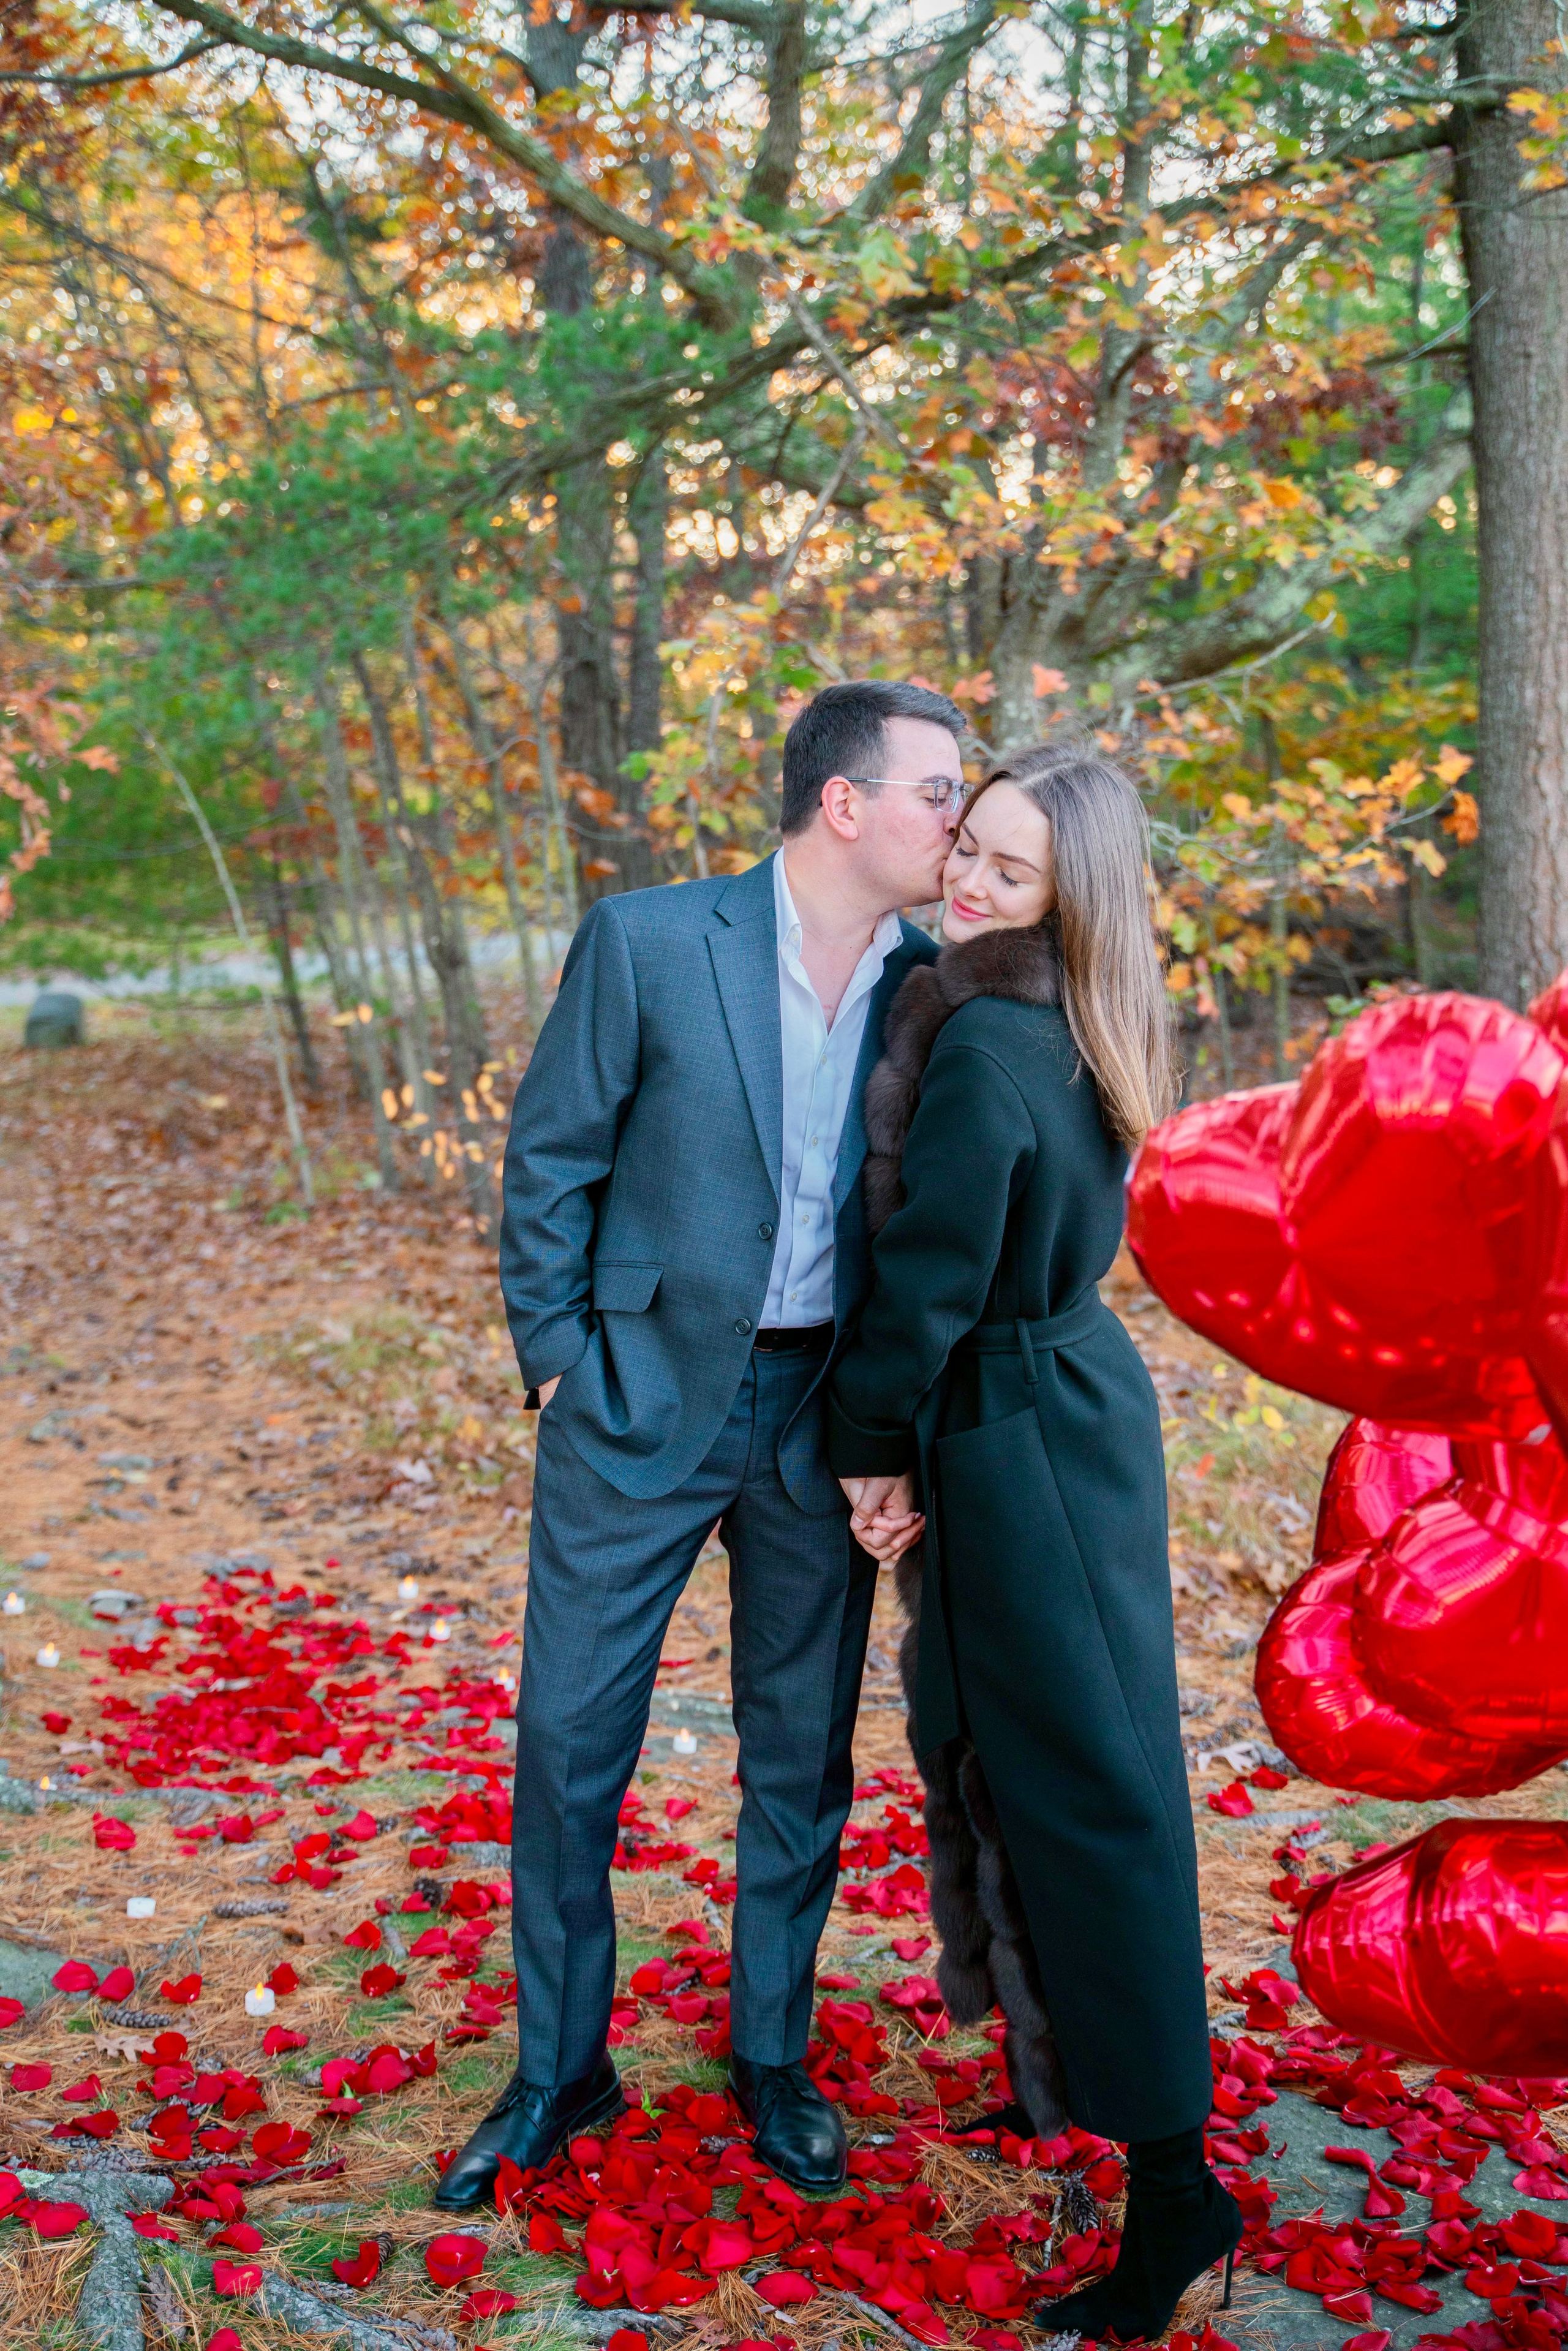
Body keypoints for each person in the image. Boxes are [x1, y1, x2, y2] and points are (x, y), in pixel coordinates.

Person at [433, 679, 965, 2213]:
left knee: (798, 1751)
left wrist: (894, 1429)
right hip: (635, 1397)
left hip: (821, 1418)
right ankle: (559, 2069)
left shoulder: (935, 985)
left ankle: (770, 2055)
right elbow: (551, 1154)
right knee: (566, 1742)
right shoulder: (650, 940)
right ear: (844, 802)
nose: (956, 819)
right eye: (936, 790)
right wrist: (558, 1364)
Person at [829, 743, 1242, 2342]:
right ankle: (1058, 2068)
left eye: (1011, 870)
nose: (968, 881)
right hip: (1050, 1407)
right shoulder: (1066, 1012)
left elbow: (930, 1274)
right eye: (969, 848)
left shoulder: (991, 1041)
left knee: (1086, 1791)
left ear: (1073, 897)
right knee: (1019, 1755)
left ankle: (1176, 2185)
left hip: (1017, 1429)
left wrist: (871, 1440)